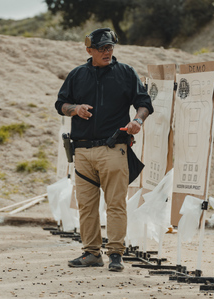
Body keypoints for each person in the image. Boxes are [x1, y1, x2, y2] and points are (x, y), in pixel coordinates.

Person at [55, 28, 153, 272]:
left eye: (110, 47)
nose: (107, 52)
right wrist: (75, 109)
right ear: (89, 50)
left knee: (116, 204)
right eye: (102, 48)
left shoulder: (126, 72)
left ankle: (116, 254)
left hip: (114, 149)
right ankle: (91, 253)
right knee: (86, 206)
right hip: (83, 153)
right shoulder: (77, 75)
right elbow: (61, 104)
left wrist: (137, 122)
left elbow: (144, 103)